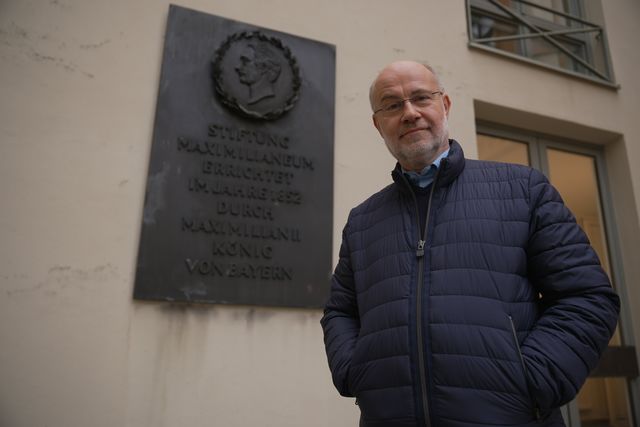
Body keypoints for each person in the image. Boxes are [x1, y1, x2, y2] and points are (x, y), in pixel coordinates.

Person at [320, 60, 620, 427]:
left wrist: (533, 379)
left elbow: (586, 297)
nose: (409, 113)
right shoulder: (362, 221)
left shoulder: (523, 190)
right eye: (392, 105)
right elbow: (340, 312)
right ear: (377, 124)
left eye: (421, 98)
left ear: (445, 105)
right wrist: (354, 372)